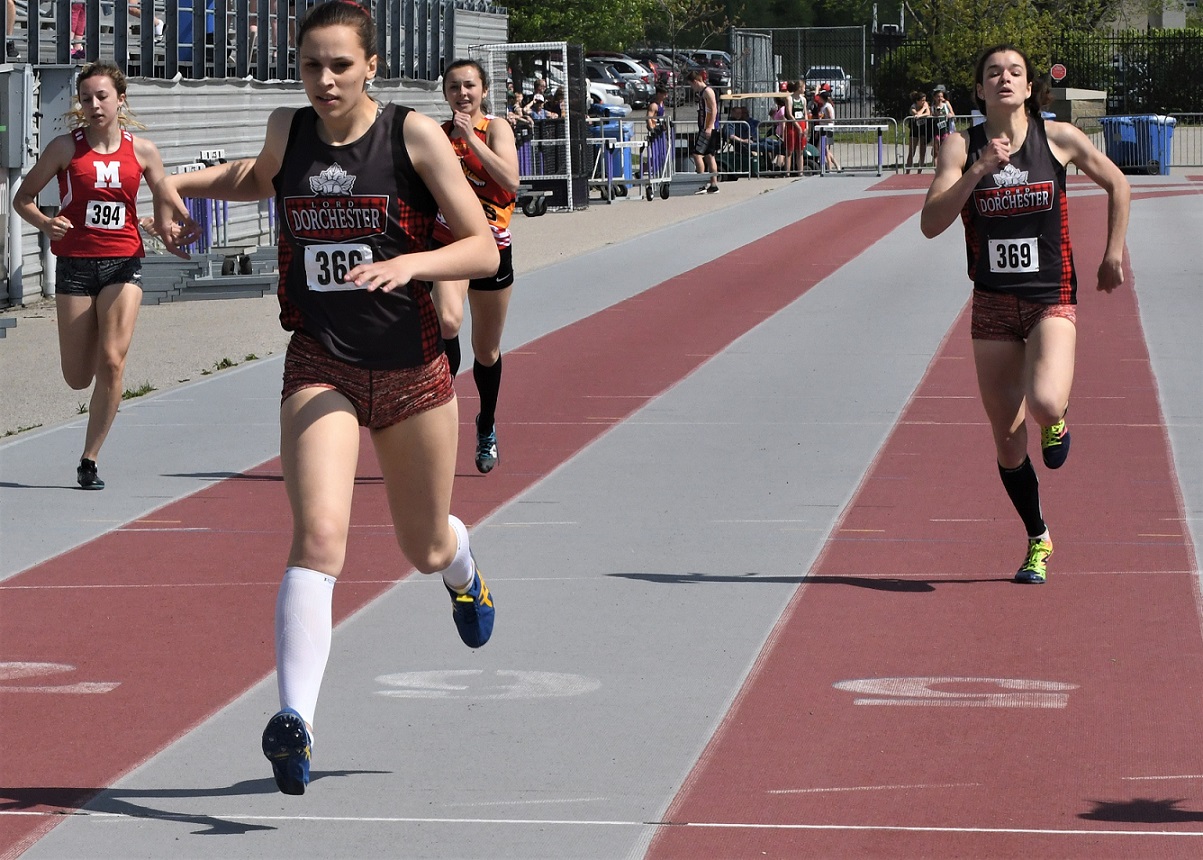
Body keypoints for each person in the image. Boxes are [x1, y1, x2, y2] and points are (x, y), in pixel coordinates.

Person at [154, 1, 500, 795]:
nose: (324, 79)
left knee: (423, 546)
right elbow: (255, 177)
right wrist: (177, 183)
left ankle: (462, 567)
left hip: (413, 371)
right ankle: (295, 724)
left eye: (339, 64)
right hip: (322, 363)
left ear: (371, 65)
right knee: (318, 538)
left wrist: (411, 266)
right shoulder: (291, 128)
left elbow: (480, 245)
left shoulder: (411, 135)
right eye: (311, 64)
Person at [919, 43, 1130, 584]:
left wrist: (1112, 252)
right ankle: (1039, 538)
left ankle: (1056, 420)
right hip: (991, 304)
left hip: (1049, 295)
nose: (1005, 78)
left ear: (1031, 87)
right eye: (994, 72)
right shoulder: (959, 145)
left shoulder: (1056, 138)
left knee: (1042, 401)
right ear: (979, 89)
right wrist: (978, 171)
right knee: (1008, 444)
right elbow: (930, 222)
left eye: (1015, 72)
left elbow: (1117, 183)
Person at [14, 62, 171, 491]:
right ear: (80, 105)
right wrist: (46, 224)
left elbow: (165, 193)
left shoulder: (143, 151)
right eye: (87, 99)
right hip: (76, 266)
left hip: (123, 261)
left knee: (112, 361)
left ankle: (89, 458)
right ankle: (88, 379)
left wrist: (163, 223)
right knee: (78, 376)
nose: (95, 105)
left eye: (103, 96)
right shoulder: (65, 148)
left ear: (121, 99)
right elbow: (22, 198)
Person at [428, 59, 519, 475]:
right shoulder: (436, 136)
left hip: (493, 247)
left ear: (483, 90)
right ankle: (441, 417)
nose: (462, 93)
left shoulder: (496, 129)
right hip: (450, 242)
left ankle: (486, 423)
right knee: (447, 322)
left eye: (469, 86)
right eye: (454, 87)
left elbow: (511, 182)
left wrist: (471, 139)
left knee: (486, 349)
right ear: (444, 93)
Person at [686, 69, 720, 194]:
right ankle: (713, 184)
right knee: (709, 156)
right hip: (705, 127)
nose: (692, 88)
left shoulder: (708, 92)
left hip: (708, 128)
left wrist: (709, 127)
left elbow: (714, 109)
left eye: (691, 84)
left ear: (695, 82)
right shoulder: (702, 93)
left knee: (697, 154)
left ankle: (702, 183)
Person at [783, 80, 807, 176]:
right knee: (790, 150)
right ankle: (787, 172)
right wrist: (797, 126)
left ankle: (800, 172)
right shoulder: (789, 99)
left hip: (802, 123)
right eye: (804, 87)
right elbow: (789, 114)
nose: (805, 89)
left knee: (800, 150)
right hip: (792, 126)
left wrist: (806, 126)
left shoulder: (803, 99)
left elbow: (805, 113)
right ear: (799, 88)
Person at [906, 90, 932, 173]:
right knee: (912, 151)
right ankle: (907, 171)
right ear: (917, 101)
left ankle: (919, 171)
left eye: (925, 100)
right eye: (922, 100)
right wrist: (920, 112)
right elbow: (915, 113)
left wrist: (924, 109)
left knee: (922, 151)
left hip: (924, 129)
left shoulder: (925, 105)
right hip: (915, 129)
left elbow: (928, 113)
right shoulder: (913, 106)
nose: (924, 102)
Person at [815, 87, 841, 172]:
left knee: (825, 149)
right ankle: (837, 165)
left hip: (827, 129)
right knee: (823, 148)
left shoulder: (827, 106)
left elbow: (830, 118)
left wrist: (821, 119)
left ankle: (830, 167)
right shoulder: (824, 106)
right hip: (824, 129)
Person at [931, 84, 956, 160]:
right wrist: (935, 114)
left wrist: (950, 115)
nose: (940, 98)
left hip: (946, 130)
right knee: (936, 151)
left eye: (941, 96)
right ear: (934, 97)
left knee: (945, 150)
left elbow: (953, 114)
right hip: (936, 130)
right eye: (938, 96)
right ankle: (936, 169)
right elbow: (930, 115)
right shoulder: (932, 106)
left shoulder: (946, 104)